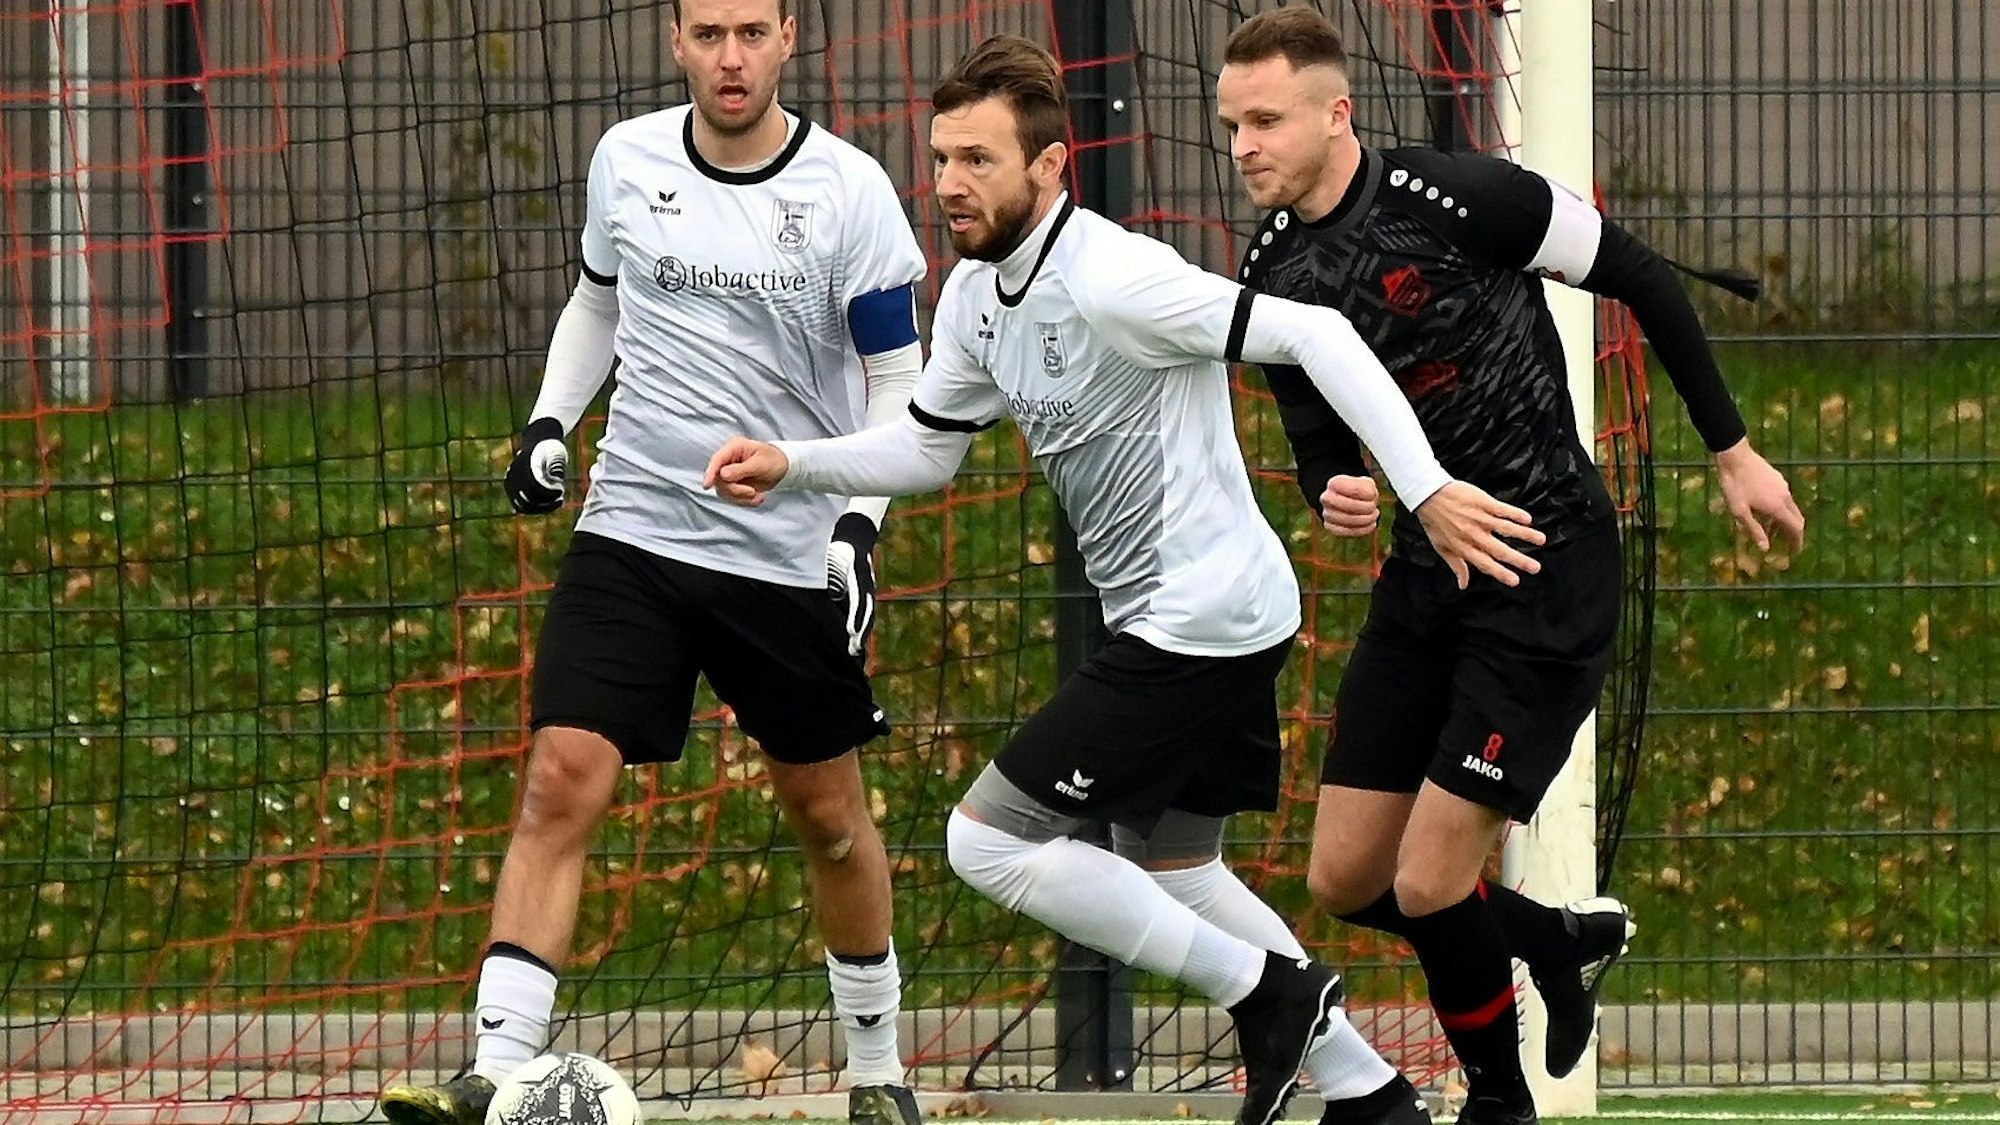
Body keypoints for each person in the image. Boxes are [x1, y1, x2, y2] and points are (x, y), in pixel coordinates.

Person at [704, 33, 1550, 1125]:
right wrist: (795, 463)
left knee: (988, 840)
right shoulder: (969, 296)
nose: (948, 184)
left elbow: (1320, 332)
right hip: (1197, 616)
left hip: (1205, 618)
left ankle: (1272, 996)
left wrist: (1424, 487)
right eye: (941, 158)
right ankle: (1367, 1095)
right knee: (1173, 864)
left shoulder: (1114, 277)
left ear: (1049, 169)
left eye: (976, 161)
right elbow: (925, 449)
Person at [1214, 10, 1807, 1124]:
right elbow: (1311, 421)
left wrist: (1728, 449)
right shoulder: (1270, 268)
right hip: (1424, 572)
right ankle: (1550, 941)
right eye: (1229, 125)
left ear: (1334, 114)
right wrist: (1327, 484)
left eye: (1263, 120)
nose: (1241, 145)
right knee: (1344, 878)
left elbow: (1640, 275)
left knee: (1430, 881)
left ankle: (1497, 1103)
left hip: (1544, 564)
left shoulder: (1461, 197)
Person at [377, 3, 930, 1124]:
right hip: (632, 528)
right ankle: (493, 1072)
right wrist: (548, 424)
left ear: (788, 36)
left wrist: (854, 527)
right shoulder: (624, 159)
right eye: (708, 33)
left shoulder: (849, 191)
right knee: (556, 779)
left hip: (784, 553)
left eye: (752, 32)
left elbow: (895, 390)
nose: (731, 58)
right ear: (676, 39)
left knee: (827, 817)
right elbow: (595, 304)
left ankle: (876, 1073)